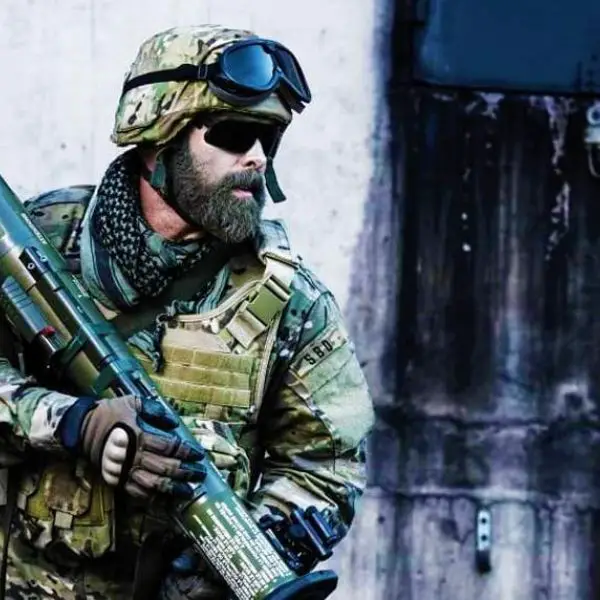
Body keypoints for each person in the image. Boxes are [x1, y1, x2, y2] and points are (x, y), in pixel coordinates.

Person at [0, 24, 374, 599]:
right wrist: (69, 422)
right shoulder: (39, 243)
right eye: (233, 134)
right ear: (159, 136)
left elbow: (329, 466)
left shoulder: (290, 301)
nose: (256, 157)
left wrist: (242, 554)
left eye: (268, 139)